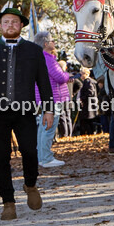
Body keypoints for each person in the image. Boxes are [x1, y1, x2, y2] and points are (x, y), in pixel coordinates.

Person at [0, 7, 52, 221]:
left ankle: (30, 184)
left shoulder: (34, 51)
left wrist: (49, 109)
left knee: (30, 151)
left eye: (14, 22)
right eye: (6, 22)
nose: (10, 25)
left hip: (25, 111)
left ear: (21, 25)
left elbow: (44, 83)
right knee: (0, 158)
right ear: (0, 26)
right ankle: (8, 202)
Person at [33, 31, 71, 168]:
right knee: (48, 129)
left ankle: (41, 157)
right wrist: (67, 75)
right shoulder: (47, 58)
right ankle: (46, 158)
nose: (54, 43)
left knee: (43, 128)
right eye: (52, 40)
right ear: (45, 43)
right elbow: (60, 77)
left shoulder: (38, 57)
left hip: (45, 98)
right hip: (52, 98)